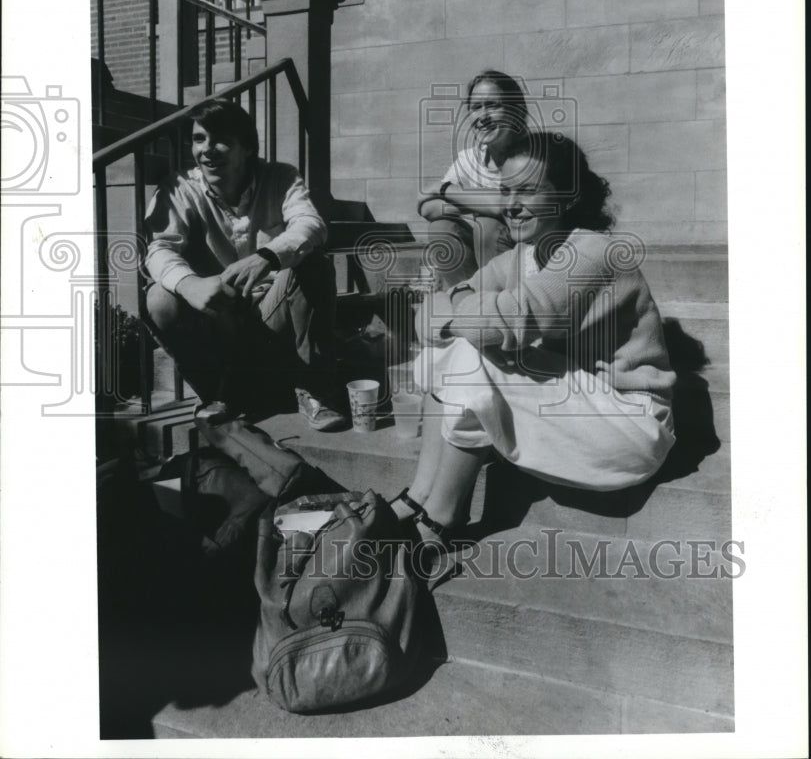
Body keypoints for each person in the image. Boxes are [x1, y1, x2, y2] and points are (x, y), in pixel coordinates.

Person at [392, 131, 676, 577]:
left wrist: (460, 301)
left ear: (566, 197)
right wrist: (461, 307)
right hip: (573, 404)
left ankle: (442, 517)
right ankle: (419, 496)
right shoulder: (519, 257)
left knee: (474, 352)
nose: (511, 204)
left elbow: (508, 322)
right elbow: (426, 317)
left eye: (527, 190)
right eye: (506, 191)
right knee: (444, 352)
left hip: (628, 424)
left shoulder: (594, 251)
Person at [144, 98, 345, 430]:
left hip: (273, 317)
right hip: (218, 318)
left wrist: (267, 257)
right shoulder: (179, 187)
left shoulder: (280, 177)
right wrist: (190, 285)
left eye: (221, 140)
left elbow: (311, 224)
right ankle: (218, 393)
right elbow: (159, 248)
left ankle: (314, 388)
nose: (207, 150)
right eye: (199, 139)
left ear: (248, 147)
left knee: (314, 262)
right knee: (159, 298)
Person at [418, 69, 529, 288]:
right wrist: (481, 205)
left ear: (516, 110)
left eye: (493, 105)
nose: (482, 116)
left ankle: (501, 301)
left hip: (532, 254)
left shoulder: (531, 157)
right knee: (441, 227)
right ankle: (465, 298)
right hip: (484, 256)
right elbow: (427, 207)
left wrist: (444, 189)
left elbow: (504, 203)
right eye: (476, 107)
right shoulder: (470, 159)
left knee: (487, 227)